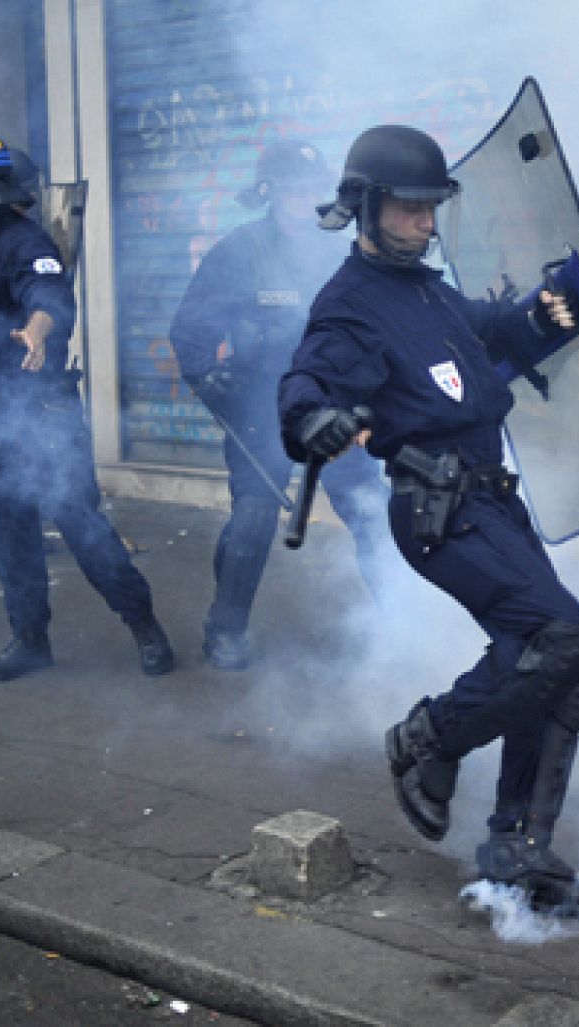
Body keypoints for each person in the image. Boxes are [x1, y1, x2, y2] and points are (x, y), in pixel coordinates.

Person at [278, 124, 579, 915]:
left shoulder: (430, 288)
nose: (426, 223)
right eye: (409, 209)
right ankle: (427, 737)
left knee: (558, 656)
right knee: (562, 633)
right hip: (437, 509)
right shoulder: (349, 304)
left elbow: (496, 339)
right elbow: (308, 378)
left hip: (492, 500)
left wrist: (549, 311)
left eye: (432, 208)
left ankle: (518, 847)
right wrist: (312, 418)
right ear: (366, 207)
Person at [0, 125, 174, 682]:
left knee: (82, 527)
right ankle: (29, 640)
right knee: (9, 536)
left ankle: (146, 628)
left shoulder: (26, 240)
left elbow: (50, 296)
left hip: (46, 418)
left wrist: (36, 332)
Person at [169, 138, 392, 671]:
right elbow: (190, 329)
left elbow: (382, 326)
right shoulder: (239, 252)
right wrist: (208, 379)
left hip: (336, 410)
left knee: (370, 512)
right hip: (261, 409)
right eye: (292, 190)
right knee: (252, 517)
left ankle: (402, 627)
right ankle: (225, 627)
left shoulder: (349, 252)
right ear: (270, 191)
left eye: (312, 190)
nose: (303, 200)